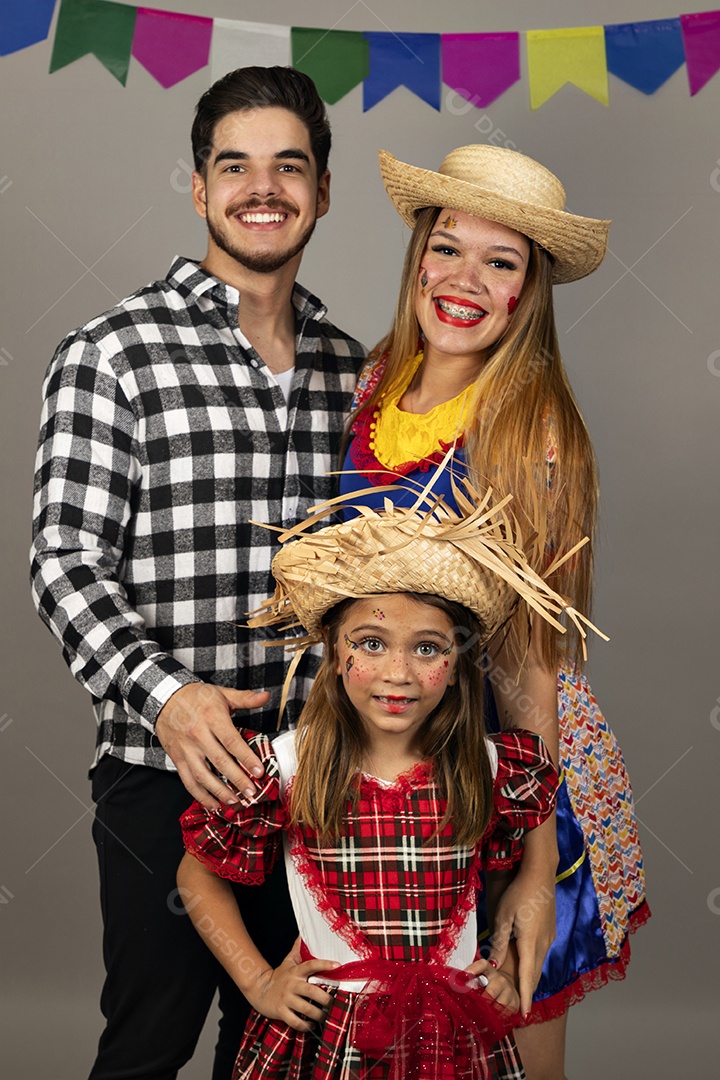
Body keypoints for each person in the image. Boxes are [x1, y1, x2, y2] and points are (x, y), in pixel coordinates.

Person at [29, 66, 365, 1080]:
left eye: (288, 166)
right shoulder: (112, 352)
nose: (262, 188)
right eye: (236, 166)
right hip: (160, 774)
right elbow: (64, 563)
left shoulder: (356, 372)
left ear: (323, 190)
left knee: (284, 1048)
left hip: (318, 782)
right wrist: (169, 698)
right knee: (149, 1040)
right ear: (198, 186)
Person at [337, 145, 649, 1079]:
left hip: (507, 765)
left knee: (508, 1041)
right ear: (417, 259)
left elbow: (525, 659)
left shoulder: (529, 425)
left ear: (529, 290)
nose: (463, 280)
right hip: (393, 756)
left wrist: (532, 856)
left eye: (500, 261)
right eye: (446, 248)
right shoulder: (378, 378)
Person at [177, 476, 579, 1079]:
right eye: (371, 643)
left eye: (426, 649)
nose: (399, 673)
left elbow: (496, 892)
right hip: (334, 1036)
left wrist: (495, 967)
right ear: (337, 656)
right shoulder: (284, 768)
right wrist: (260, 983)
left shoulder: (492, 770)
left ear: (457, 661)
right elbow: (196, 879)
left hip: (451, 1035)